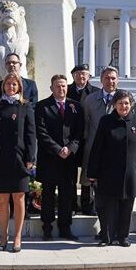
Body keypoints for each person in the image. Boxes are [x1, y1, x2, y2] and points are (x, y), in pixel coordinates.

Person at [87, 90, 136, 247]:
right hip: (108, 173)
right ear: (114, 105)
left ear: (131, 104)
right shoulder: (106, 121)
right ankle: (106, 237)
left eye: (126, 103)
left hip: (131, 173)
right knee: (108, 207)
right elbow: (97, 148)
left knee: (126, 207)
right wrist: (92, 173)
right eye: (120, 103)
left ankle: (123, 237)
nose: (123, 106)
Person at [0, 73, 37, 252]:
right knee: (3, 199)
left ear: (19, 87)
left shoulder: (25, 106)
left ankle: (18, 236)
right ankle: (3, 237)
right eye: (8, 84)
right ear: (3, 86)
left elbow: (31, 134)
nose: (11, 87)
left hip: (19, 158)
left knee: (19, 197)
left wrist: (30, 158)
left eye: (14, 84)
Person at [35, 74, 84, 240]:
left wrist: (70, 149)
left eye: (63, 86)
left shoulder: (75, 106)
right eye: (57, 86)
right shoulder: (42, 106)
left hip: (68, 160)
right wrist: (57, 149)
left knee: (67, 194)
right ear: (51, 88)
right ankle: (47, 228)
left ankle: (65, 228)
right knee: (48, 195)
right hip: (50, 158)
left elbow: (79, 132)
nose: (61, 89)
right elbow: (41, 132)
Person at [79, 66, 124, 218]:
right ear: (101, 80)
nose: (110, 81)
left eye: (113, 78)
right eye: (107, 78)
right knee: (89, 176)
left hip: (117, 148)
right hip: (93, 146)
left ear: (117, 80)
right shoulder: (90, 99)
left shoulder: (125, 99)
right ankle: (87, 205)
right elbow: (84, 123)